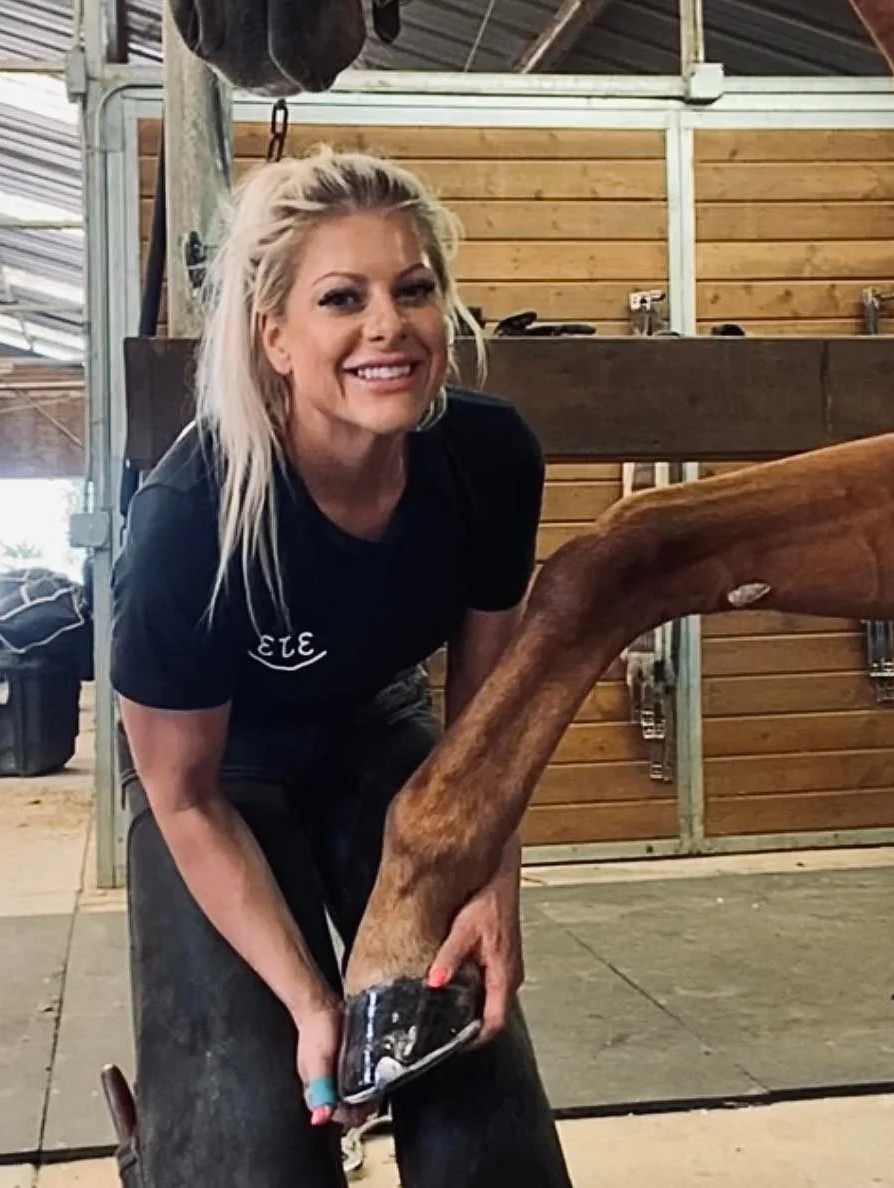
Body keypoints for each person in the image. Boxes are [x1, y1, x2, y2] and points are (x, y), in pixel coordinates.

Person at [110, 144, 573, 1188]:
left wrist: (490, 887)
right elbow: (179, 796)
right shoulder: (189, 519)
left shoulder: (489, 458)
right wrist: (312, 1002)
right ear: (273, 335)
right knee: (260, 1136)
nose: (386, 326)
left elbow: (484, 724)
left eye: (412, 290)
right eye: (340, 298)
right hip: (216, 780)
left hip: (382, 737)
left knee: (476, 1100)